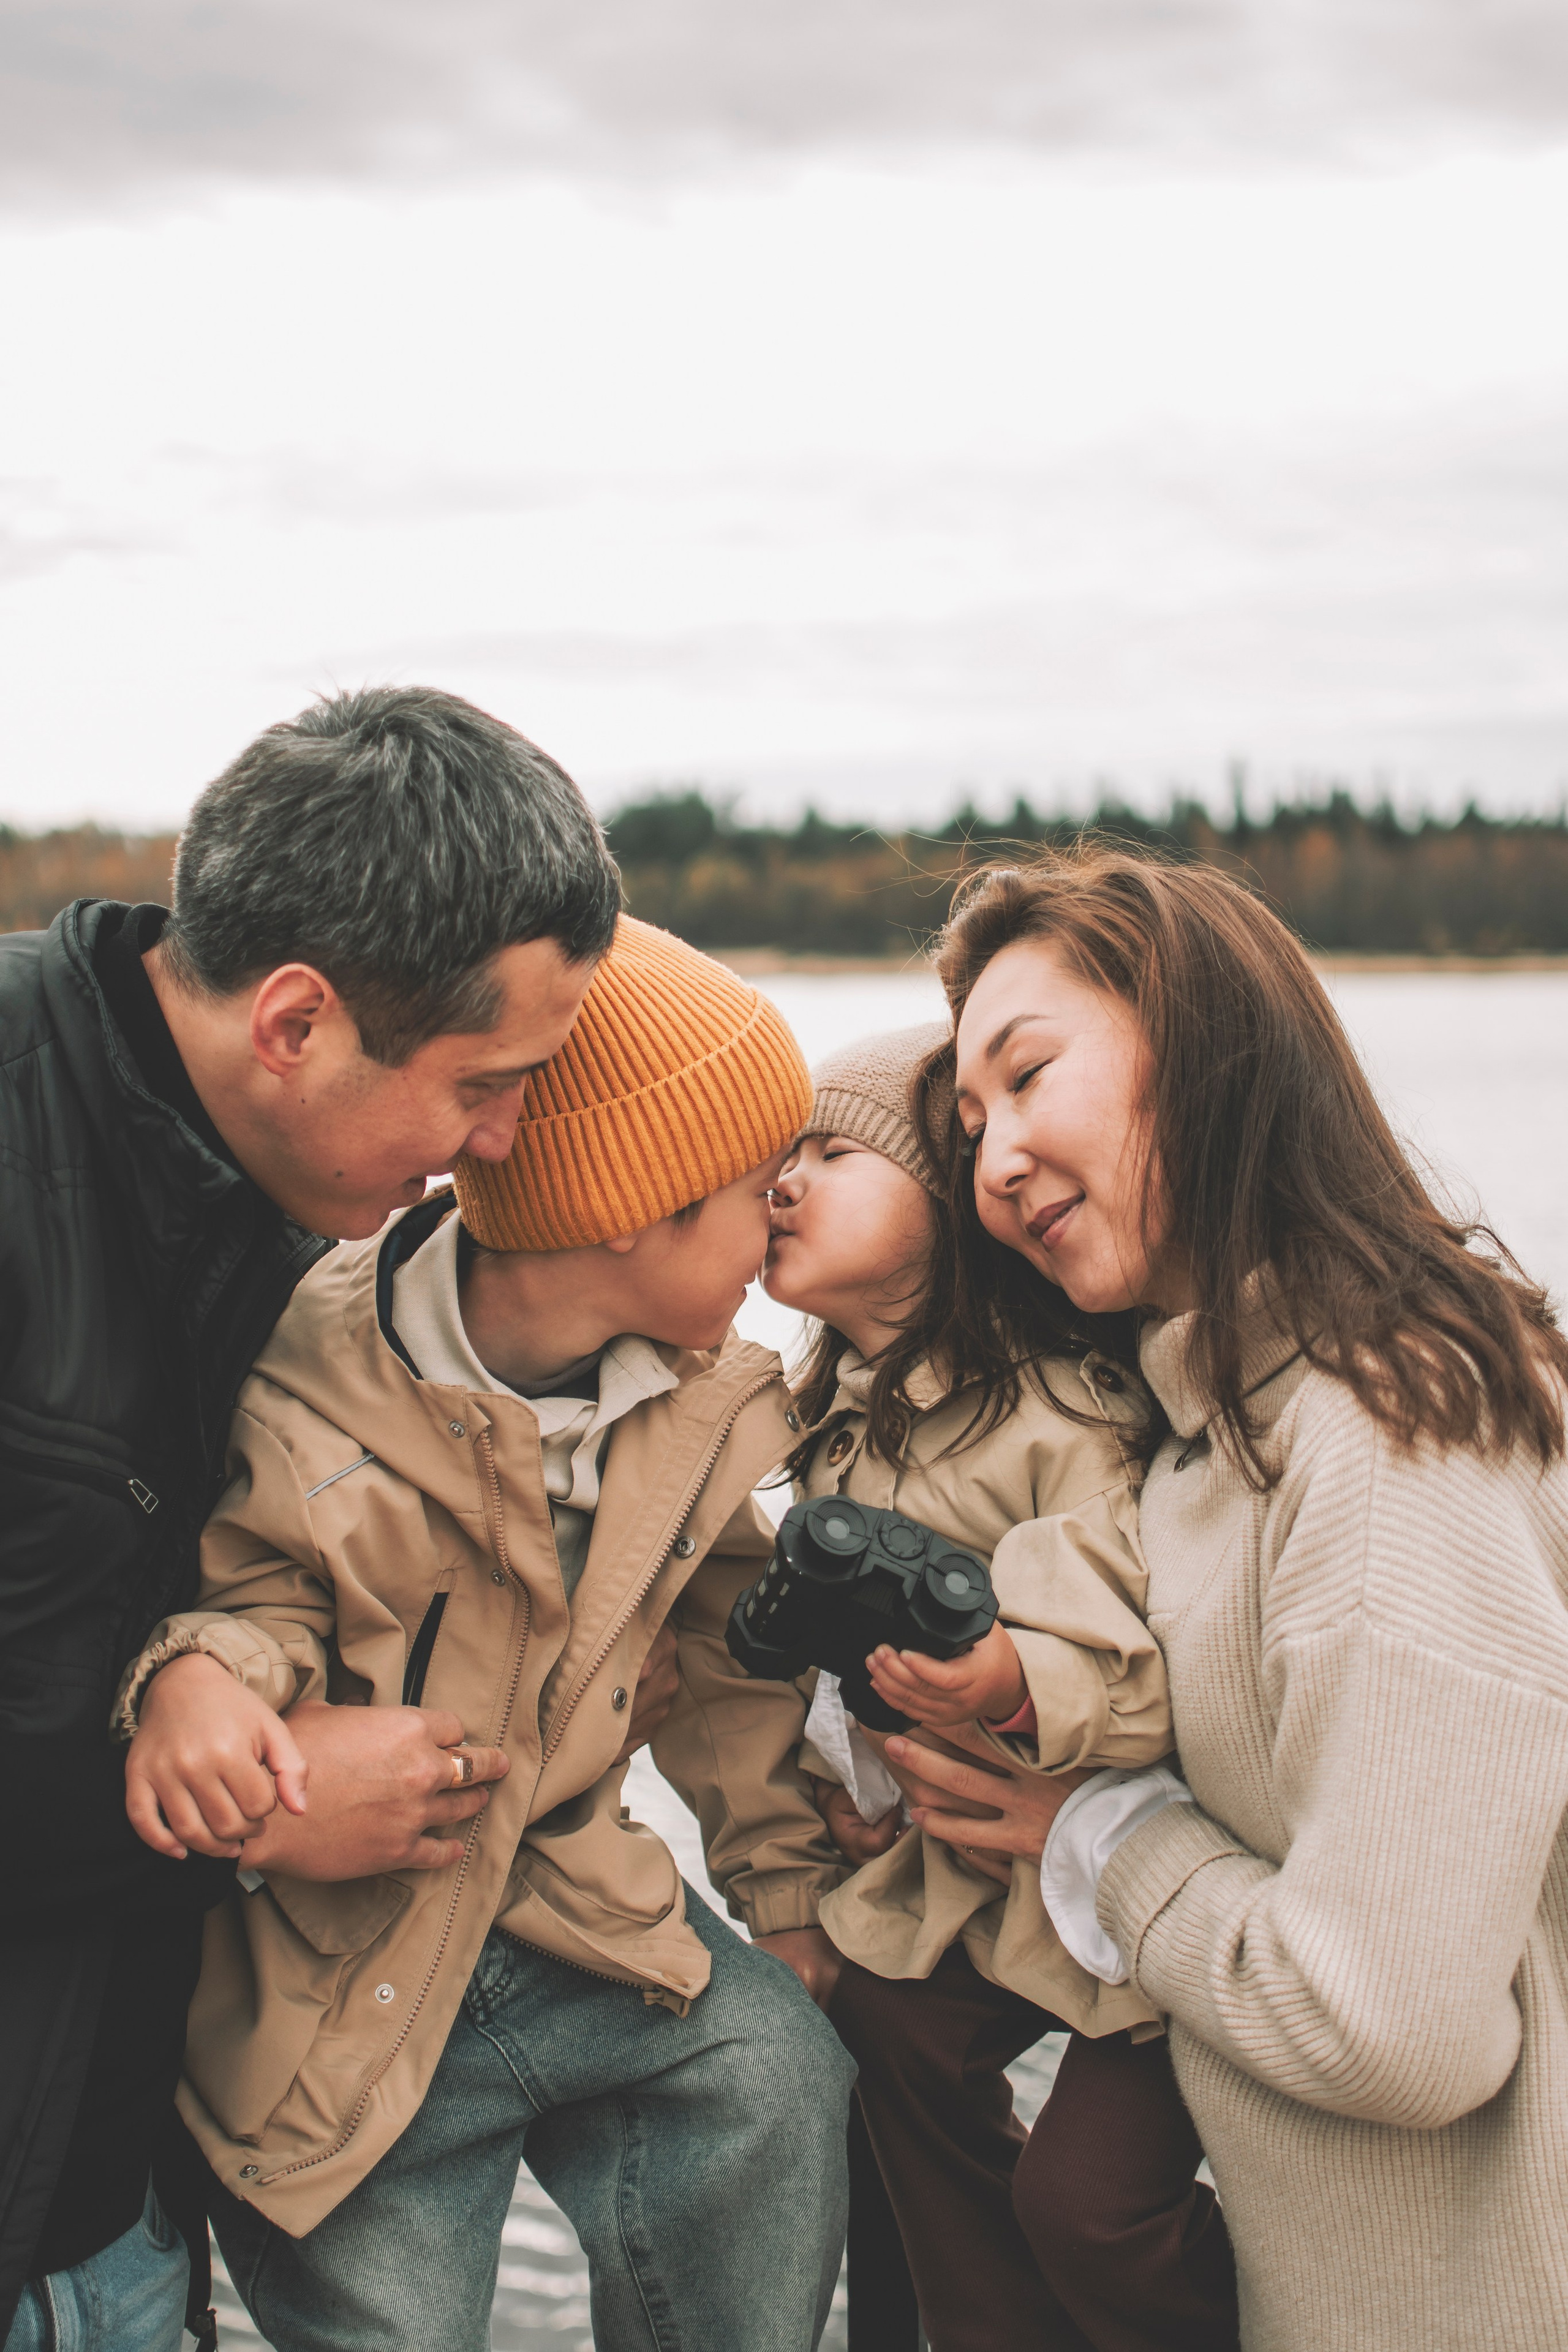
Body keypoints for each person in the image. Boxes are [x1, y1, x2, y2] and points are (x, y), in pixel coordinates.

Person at [115, 918, 857, 2352]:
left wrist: (781, 1888)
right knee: (368, 2267)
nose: (780, 1229)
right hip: (353, 1961)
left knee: (774, 2072)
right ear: (631, 1211)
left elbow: (726, 1660)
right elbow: (253, 1591)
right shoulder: (314, 1375)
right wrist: (201, 1684)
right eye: (750, 1196)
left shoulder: (704, 1406)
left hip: (575, 1912)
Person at [0, 685, 620, 2352]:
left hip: (119, 2224)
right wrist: (240, 1820)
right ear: (293, 1024)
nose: (501, 1146)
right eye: (483, 1085)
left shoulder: (307, 1224)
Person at [914, 845, 1568, 2349]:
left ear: (1203, 1043)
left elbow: (1392, 2030)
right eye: (964, 1125)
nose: (991, 1159)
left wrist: (1102, 1843)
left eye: (1026, 1076)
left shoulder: (1394, 1434)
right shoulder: (1221, 1426)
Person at [762, 1023, 1238, 2352]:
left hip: (1130, 1878)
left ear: (947, 1209)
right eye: (779, 1160)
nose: (780, 1184)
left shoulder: (1059, 1410)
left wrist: (1010, 1676)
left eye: (832, 1155)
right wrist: (847, 1776)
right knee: (879, 2023)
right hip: (964, 1870)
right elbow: (831, 1674)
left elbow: (1127, 1634)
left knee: (1087, 2203)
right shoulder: (829, 1429)